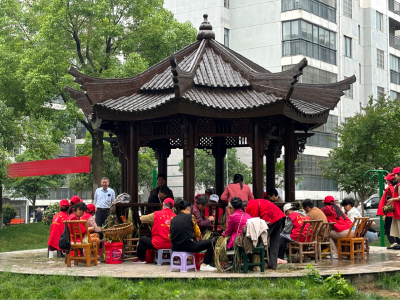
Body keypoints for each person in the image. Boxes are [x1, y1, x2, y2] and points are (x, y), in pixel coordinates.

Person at [170, 200, 217, 272]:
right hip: (188, 246)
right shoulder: (191, 217)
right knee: (213, 241)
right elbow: (197, 233)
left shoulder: (173, 218)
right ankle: (205, 264)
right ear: (188, 208)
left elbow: (169, 235)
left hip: (174, 247)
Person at [133, 198, 176, 263]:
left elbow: (142, 219)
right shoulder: (175, 216)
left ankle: (141, 259)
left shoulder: (156, 214)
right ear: (172, 208)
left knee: (142, 239)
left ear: (163, 204)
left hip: (158, 243)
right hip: (171, 244)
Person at [246, 198, 286, 269]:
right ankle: (273, 264)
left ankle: (258, 263)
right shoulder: (257, 201)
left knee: (261, 241)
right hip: (280, 216)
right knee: (275, 241)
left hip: (270, 218)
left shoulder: (250, 206)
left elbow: (254, 221)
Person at [377, 173, 400, 249]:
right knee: (396, 228)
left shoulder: (390, 188)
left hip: (390, 212)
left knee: (388, 228)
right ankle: (397, 243)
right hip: (395, 211)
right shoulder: (395, 187)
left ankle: (394, 243)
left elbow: (386, 201)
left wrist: (384, 213)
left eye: (387, 180)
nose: (386, 181)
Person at [386, 167, 400, 247]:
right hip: (397, 211)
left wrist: (392, 199)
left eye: (395, 175)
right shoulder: (397, 185)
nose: (394, 177)